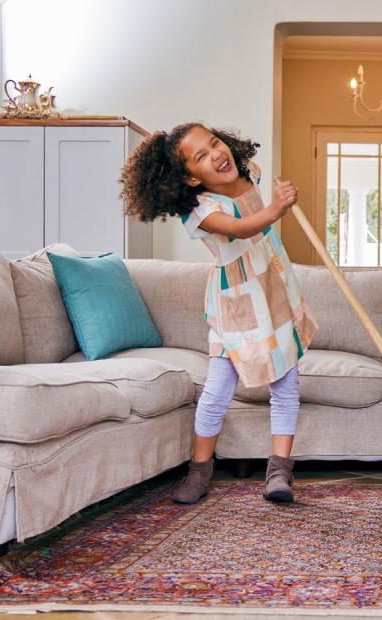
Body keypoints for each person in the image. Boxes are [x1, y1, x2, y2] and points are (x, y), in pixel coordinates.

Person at [120, 123, 318, 504]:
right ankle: (200, 469)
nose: (215, 153)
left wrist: (275, 197)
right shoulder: (200, 211)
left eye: (214, 143)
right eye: (200, 157)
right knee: (216, 391)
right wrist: (276, 207)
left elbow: (256, 203)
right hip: (237, 307)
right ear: (191, 180)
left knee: (286, 386)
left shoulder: (251, 175)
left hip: (276, 292)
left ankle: (279, 472)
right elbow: (241, 229)